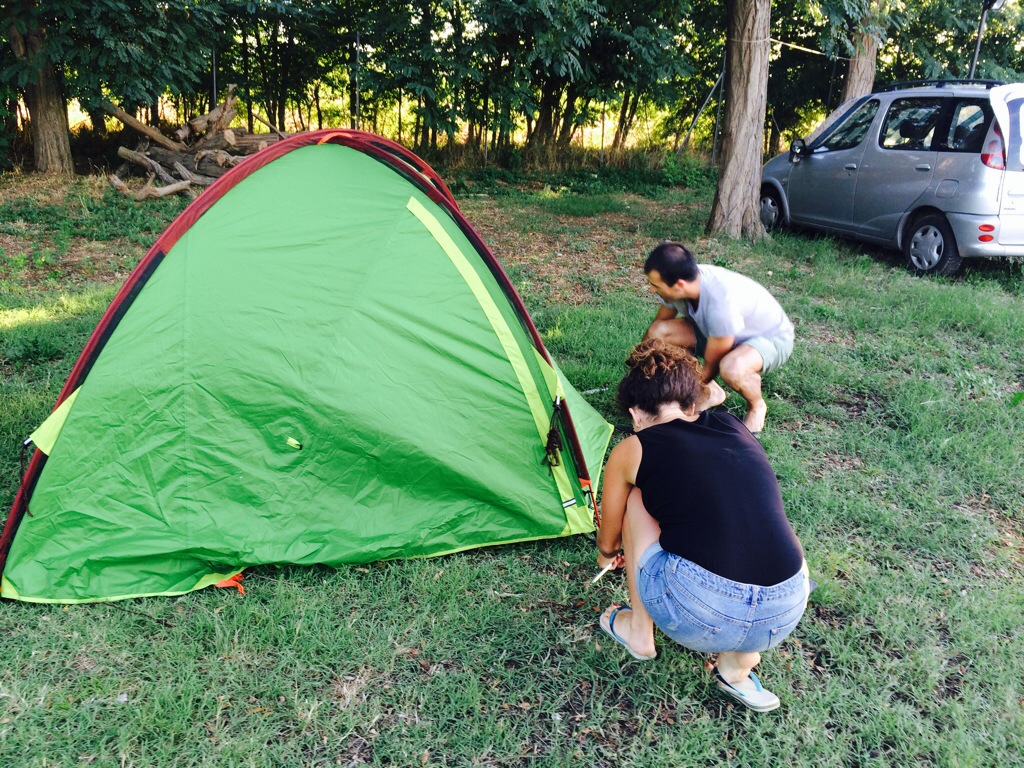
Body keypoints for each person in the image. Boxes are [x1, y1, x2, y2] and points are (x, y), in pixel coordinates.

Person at [595, 339, 809, 713]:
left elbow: (609, 535)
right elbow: (716, 401)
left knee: (636, 498)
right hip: (785, 608)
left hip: (704, 610)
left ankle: (639, 633)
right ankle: (738, 667)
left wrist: (606, 555)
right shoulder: (732, 425)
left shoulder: (633, 448)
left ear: (635, 414)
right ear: (693, 405)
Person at [642, 242, 794, 434]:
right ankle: (711, 393)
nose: (651, 290)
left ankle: (757, 406)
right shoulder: (681, 282)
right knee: (659, 332)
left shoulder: (721, 304)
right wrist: (640, 370)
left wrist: (682, 402)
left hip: (771, 338)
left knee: (732, 368)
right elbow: (654, 334)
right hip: (719, 334)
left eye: (656, 285)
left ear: (679, 285)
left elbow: (712, 364)